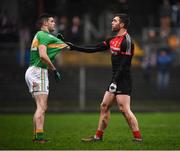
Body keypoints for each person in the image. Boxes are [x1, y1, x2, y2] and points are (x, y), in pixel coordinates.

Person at [67, 13, 143, 142]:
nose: (112, 23)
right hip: (115, 78)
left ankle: (138, 138)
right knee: (104, 106)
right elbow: (94, 48)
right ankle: (98, 136)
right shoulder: (112, 40)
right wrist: (75, 47)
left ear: (122, 24)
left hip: (123, 78)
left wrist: (115, 80)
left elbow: (125, 65)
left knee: (124, 109)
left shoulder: (127, 41)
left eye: (115, 21)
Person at [25, 14, 69, 143]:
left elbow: (47, 48)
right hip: (39, 71)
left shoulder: (39, 35)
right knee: (42, 107)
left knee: (40, 106)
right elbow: (43, 55)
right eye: (51, 21)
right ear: (44, 23)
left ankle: (36, 137)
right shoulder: (43, 35)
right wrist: (54, 69)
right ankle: (39, 138)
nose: (54, 23)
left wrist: (56, 42)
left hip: (32, 70)